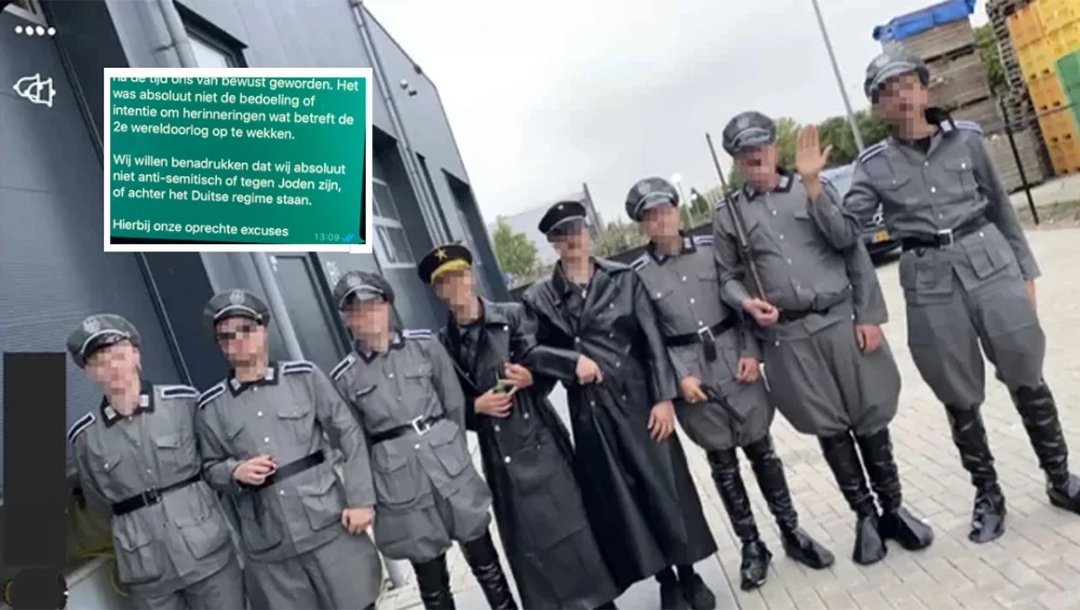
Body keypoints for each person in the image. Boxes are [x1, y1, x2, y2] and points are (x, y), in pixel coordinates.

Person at [828, 49, 1080, 543]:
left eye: (906, 84)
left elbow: (1003, 209)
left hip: (991, 264)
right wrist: (816, 187)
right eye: (886, 92)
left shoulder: (967, 139)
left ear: (924, 88)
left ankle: (1059, 477)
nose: (899, 96)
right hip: (929, 282)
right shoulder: (873, 166)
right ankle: (988, 495)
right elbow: (843, 231)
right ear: (878, 108)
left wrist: (1025, 270)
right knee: (957, 392)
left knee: (1027, 372)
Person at [712, 111, 935, 566]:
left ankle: (894, 508)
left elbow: (849, 243)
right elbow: (727, 276)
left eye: (761, 147)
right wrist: (745, 302)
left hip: (840, 320)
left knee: (871, 413)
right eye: (744, 153)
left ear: (775, 148)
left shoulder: (812, 187)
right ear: (735, 162)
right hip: (790, 337)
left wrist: (869, 314)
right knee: (828, 426)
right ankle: (865, 516)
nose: (755, 157)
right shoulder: (729, 214)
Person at [624, 178, 834, 590]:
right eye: (650, 216)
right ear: (643, 225)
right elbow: (649, 337)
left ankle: (791, 531)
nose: (660, 220)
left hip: (733, 358)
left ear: (677, 210)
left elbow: (739, 301)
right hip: (692, 377)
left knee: (764, 452)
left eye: (665, 210)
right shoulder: (640, 277)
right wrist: (677, 378)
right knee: (723, 466)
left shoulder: (711, 250)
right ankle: (752, 545)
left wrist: (752, 353)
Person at [521, 201, 719, 610]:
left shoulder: (623, 279)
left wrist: (664, 398)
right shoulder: (541, 297)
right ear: (553, 244)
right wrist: (572, 362)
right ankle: (665, 578)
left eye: (577, 229)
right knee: (626, 499)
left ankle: (689, 574)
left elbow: (652, 342)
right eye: (562, 234)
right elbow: (529, 350)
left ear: (588, 232)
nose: (572, 239)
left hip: (639, 402)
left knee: (666, 489)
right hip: (591, 413)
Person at [416, 243, 623, 609]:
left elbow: (540, 365)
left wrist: (533, 378)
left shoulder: (512, 315)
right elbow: (440, 408)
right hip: (500, 458)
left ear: (472, 275)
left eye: (461, 275)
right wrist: (473, 407)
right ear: (437, 291)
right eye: (446, 281)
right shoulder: (440, 345)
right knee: (531, 552)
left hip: (541, 443)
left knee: (578, 537)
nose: (457, 285)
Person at [327, 270, 517, 610]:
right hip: (401, 487)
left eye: (372, 304)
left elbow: (454, 404)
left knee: (487, 565)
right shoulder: (344, 377)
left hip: (450, 471)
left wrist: (450, 450)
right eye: (354, 310)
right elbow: (354, 442)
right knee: (432, 586)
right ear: (345, 320)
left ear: (387, 305)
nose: (365, 315)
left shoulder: (425, 346)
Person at [194, 289, 381, 610]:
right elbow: (209, 468)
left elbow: (348, 433)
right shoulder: (211, 408)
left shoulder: (304, 378)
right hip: (271, 544)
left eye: (246, 330)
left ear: (263, 330)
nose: (238, 341)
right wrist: (233, 471)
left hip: (329, 524)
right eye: (226, 337)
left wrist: (361, 500)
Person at [65, 314, 245, 610]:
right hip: (146, 571)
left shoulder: (183, 404)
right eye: (100, 361)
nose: (113, 367)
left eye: (119, 355)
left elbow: (216, 462)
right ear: (89, 373)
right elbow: (99, 505)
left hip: (207, 552)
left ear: (136, 355)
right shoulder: (85, 437)